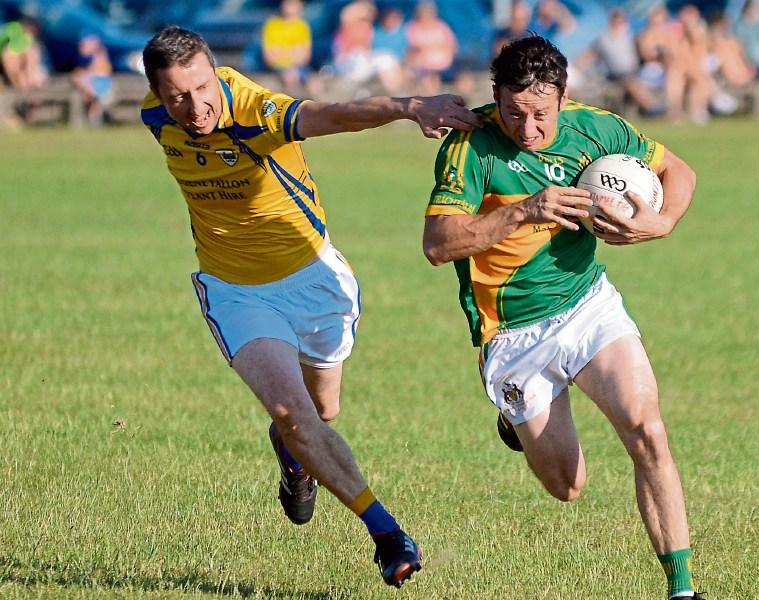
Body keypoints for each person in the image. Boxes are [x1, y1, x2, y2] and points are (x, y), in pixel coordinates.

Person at [140, 25, 479, 588]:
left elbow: (336, 114)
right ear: (157, 92)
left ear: (216, 74)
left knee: (322, 412)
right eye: (178, 96)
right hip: (235, 290)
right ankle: (387, 534)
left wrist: (410, 106)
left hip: (313, 278)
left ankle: (294, 454)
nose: (195, 108)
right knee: (291, 412)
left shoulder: (255, 111)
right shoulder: (155, 116)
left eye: (202, 88)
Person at [421, 34, 704, 600]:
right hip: (513, 333)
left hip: (587, 305)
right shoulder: (470, 147)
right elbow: (438, 243)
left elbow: (679, 171)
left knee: (647, 430)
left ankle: (682, 589)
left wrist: (663, 222)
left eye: (540, 114)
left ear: (563, 97)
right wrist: (527, 209)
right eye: (514, 113)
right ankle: (515, 421)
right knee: (567, 485)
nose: (527, 129)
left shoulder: (595, 128)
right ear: (496, 98)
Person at [260, 0, 319, 97]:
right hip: (278, 67)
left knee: (315, 84)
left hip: (299, 67)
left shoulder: (302, 26)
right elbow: (269, 56)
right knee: (291, 78)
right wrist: (292, 53)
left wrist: (282, 52)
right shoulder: (272, 25)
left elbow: (305, 56)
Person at [70, 33, 114, 126]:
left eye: (85, 45)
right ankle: (90, 121)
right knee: (78, 93)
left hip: (101, 92)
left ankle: (95, 121)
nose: (81, 47)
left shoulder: (102, 63)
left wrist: (90, 89)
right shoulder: (88, 63)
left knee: (95, 99)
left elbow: (103, 81)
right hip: (91, 92)